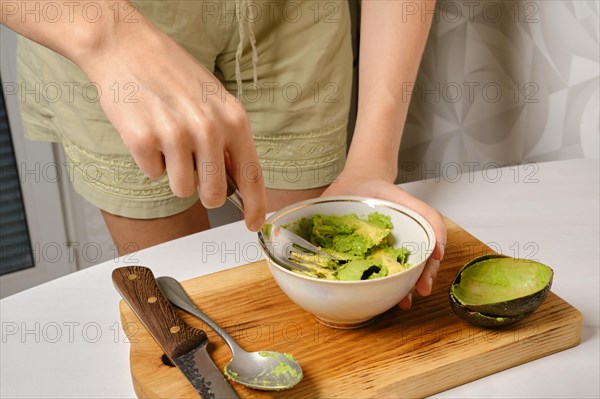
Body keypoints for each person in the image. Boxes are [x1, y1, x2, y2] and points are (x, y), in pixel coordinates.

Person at [1, 0, 445, 309]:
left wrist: (371, 162)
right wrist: (109, 37)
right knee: (178, 290)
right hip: (89, 17)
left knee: (304, 270)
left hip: (294, 18)